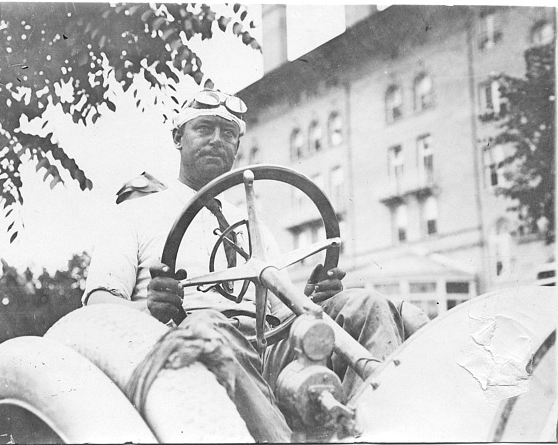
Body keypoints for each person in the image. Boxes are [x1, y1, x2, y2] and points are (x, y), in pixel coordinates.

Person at [83, 89, 427, 441]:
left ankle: (372, 431)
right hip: (191, 350)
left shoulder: (252, 224)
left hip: (263, 352)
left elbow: (279, 317)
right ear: (178, 138)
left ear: (237, 147)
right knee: (210, 324)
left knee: (366, 305)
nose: (218, 140)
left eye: (229, 133)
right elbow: (97, 304)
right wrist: (149, 308)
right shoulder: (135, 214)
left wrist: (309, 300)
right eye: (204, 129)